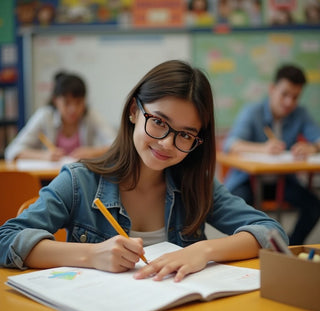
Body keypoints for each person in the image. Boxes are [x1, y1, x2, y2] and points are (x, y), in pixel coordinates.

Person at [0, 60, 287, 282]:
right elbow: (7, 239)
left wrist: (203, 250)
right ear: (134, 111)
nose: (166, 143)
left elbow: (272, 234)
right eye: (159, 122)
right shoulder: (79, 182)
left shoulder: (196, 184)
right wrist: (90, 254)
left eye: (185, 135)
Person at [223, 64, 320, 245]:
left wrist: (312, 148)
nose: (289, 102)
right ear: (272, 89)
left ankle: (289, 247)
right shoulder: (252, 112)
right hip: (247, 180)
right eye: (285, 94)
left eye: (295, 97)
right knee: (234, 209)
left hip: (283, 181)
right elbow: (231, 144)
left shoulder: (300, 114)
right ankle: (243, 249)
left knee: (314, 206)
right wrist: (263, 148)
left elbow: (318, 138)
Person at [5, 72, 116, 161]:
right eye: (66, 103)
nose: (73, 109)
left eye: (78, 102)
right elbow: (12, 151)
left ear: (85, 101)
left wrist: (93, 152)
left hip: (81, 179)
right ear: (55, 101)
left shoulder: (90, 115)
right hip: (48, 180)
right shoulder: (44, 115)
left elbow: (118, 146)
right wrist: (44, 156)